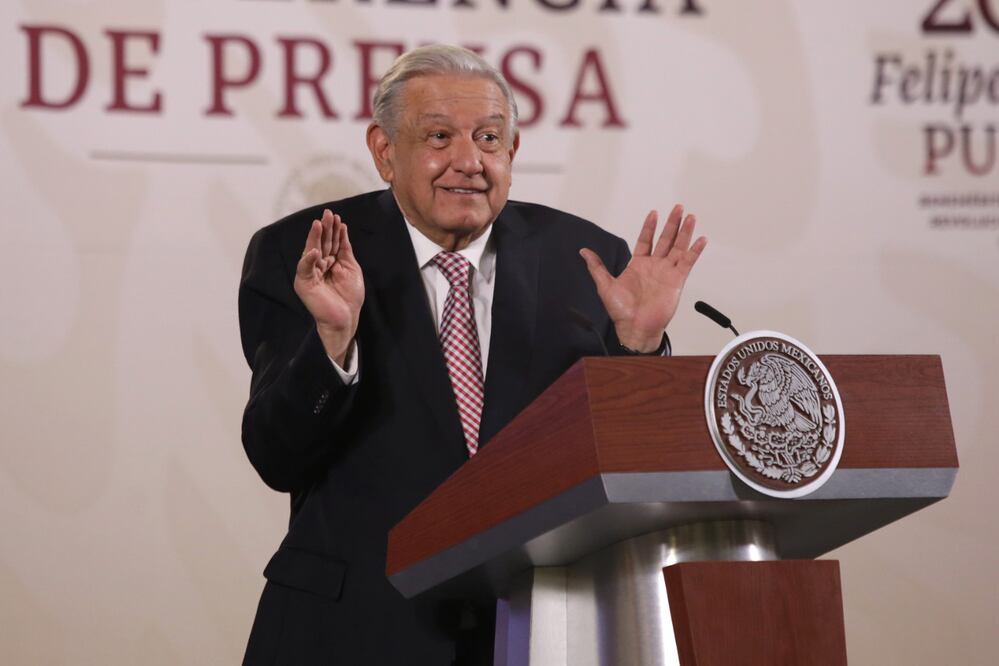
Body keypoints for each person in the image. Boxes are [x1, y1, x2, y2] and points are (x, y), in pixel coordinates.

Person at [239, 44, 706, 665]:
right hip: (351, 629)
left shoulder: (586, 260)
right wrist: (333, 342)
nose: (468, 161)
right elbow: (276, 456)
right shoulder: (305, 254)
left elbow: (627, 463)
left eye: (489, 138)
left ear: (512, 151)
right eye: (439, 136)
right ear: (384, 150)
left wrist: (639, 347)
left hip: (538, 631)